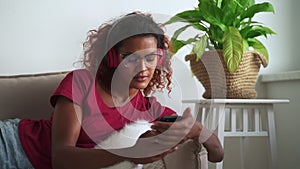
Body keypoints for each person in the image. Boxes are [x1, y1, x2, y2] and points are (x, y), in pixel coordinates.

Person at [0, 11, 224, 169]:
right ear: (111, 58)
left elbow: (217, 154)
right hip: (10, 144)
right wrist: (130, 152)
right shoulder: (81, 83)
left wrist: (196, 129)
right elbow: (61, 158)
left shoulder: (150, 111)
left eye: (150, 57)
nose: (143, 68)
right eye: (130, 58)